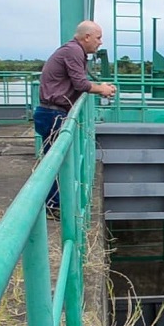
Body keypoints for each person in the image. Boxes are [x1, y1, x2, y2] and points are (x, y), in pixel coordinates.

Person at [34, 20, 117, 218]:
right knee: (56, 162)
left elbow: (80, 81)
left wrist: (99, 87)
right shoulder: (73, 51)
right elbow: (80, 83)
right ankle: (52, 206)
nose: (100, 42)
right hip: (53, 113)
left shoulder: (73, 51)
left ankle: (53, 203)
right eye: (98, 38)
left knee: (56, 160)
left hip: (51, 112)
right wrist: (102, 89)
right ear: (86, 37)